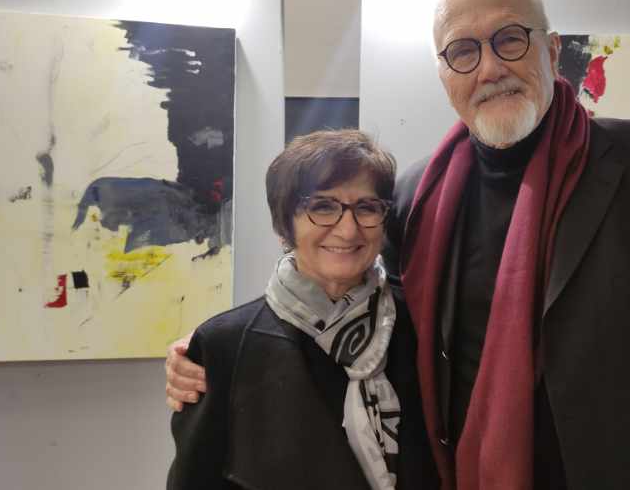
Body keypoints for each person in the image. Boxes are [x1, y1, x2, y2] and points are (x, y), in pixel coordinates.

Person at [167, 0, 630, 490]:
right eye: (463, 51)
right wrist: (218, 349)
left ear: (552, 49)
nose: (491, 68)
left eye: (510, 39)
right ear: (445, 73)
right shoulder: (413, 197)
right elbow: (358, 313)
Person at [166, 130, 435, 490]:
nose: (348, 229)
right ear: (284, 225)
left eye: (367, 207)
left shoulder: (420, 327)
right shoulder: (222, 347)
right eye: (322, 206)